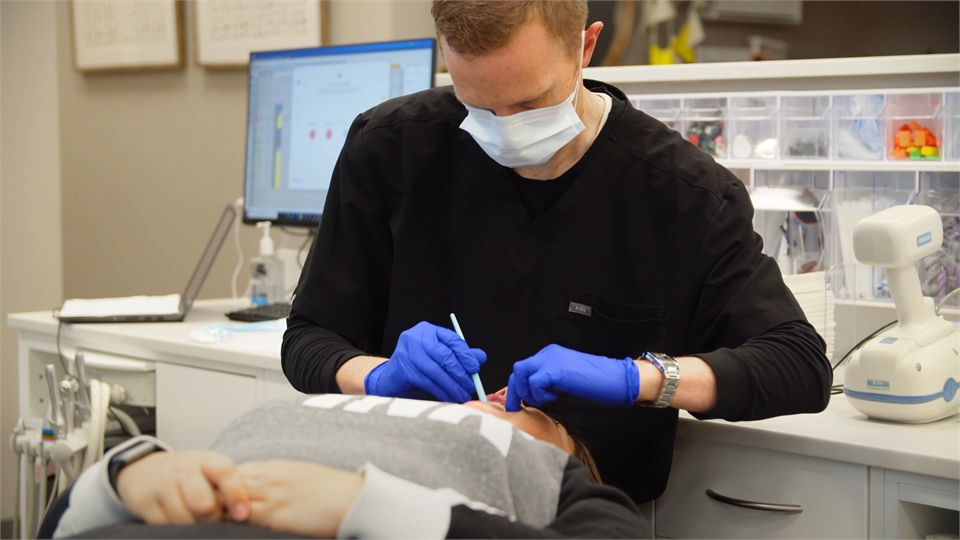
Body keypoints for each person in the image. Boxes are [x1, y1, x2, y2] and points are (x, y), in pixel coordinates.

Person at [282, 0, 832, 504]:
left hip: (580, 514)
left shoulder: (682, 196)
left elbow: (798, 365)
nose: (504, 129)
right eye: (477, 106)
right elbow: (308, 337)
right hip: (407, 488)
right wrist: (375, 375)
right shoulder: (391, 147)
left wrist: (637, 378)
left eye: (527, 102)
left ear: (585, 47)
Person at [52, 393, 643, 539]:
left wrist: (361, 504)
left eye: (529, 410)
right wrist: (127, 474)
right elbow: (56, 524)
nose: (496, 397)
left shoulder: (542, 467)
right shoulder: (310, 405)